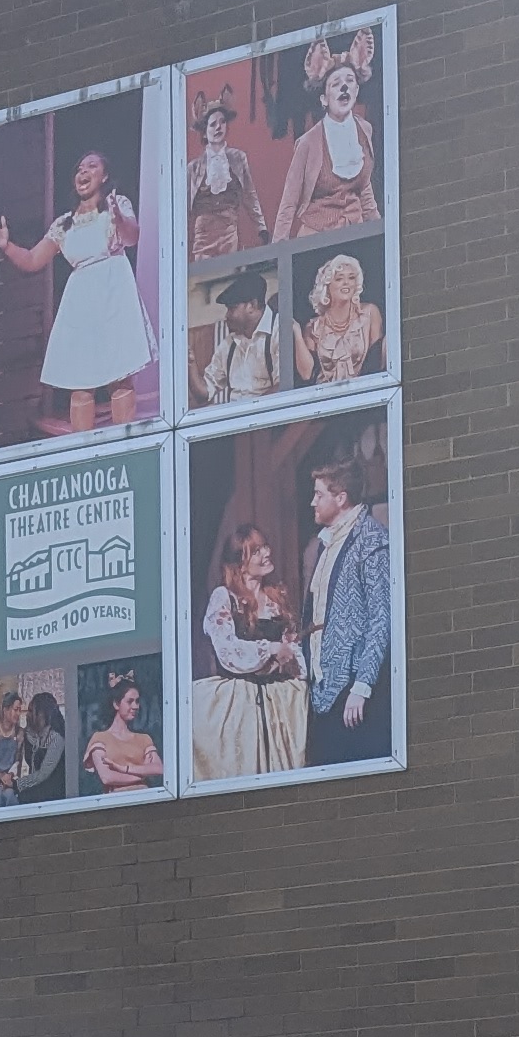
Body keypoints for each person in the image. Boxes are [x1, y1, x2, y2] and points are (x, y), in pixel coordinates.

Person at [0, 147, 153, 432]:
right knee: (80, 384)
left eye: (91, 167)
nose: (83, 172)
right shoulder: (64, 223)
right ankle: (82, 451)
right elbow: (32, 260)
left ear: (105, 176)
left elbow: (132, 237)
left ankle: (128, 445)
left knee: (121, 377)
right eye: (79, 169)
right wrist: (8, 246)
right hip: (81, 302)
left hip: (114, 292)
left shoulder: (117, 203)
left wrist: (118, 218)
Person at [191, 521, 307, 783]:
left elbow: (292, 644)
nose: (266, 553)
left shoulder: (275, 598)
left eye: (264, 546)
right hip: (239, 702)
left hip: (278, 702)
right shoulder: (224, 597)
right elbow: (228, 649)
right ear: (240, 563)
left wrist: (291, 659)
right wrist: (271, 649)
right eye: (255, 551)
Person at [302, 447, 394, 766]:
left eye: (318, 494)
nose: (312, 502)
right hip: (323, 689)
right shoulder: (325, 543)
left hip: (351, 692)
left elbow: (382, 619)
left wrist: (363, 684)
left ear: (340, 498)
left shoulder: (370, 540)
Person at [270, 25, 383, 242]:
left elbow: (364, 188)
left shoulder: (364, 130)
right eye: (336, 84)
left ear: (357, 90)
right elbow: (290, 199)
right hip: (316, 238)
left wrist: (379, 231)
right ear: (323, 99)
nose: (344, 88)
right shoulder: (308, 142)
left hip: (356, 234)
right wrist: (278, 250)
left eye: (349, 82)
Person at [183, 90, 267, 259]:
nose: (218, 127)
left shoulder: (238, 158)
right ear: (204, 131)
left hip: (229, 231)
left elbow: (250, 195)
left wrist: (261, 227)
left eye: (222, 122)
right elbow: (183, 208)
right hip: (203, 234)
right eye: (213, 124)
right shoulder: (193, 168)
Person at [293, 251, 383, 391]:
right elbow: (306, 374)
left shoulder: (369, 313)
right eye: (339, 278)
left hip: (363, 395)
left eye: (351, 277)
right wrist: (297, 333)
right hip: (324, 400)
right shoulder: (313, 327)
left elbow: (377, 361)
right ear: (327, 286)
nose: (346, 282)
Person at [193, 266, 283, 405]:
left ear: (252, 305)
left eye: (232, 308)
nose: (226, 316)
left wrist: (247, 412)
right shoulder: (229, 344)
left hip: (270, 417)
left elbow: (283, 388)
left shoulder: (279, 331)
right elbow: (205, 393)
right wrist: (190, 364)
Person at [82, 667, 163, 791]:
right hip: (117, 802)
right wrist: (141, 774)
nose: (135, 706)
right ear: (116, 704)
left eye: (137, 701)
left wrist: (123, 769)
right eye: (130, 701)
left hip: (145, 799)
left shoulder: (144, 739)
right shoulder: (100, 738)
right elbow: (107, 777)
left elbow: (158, 768)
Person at [13, 683, 69, 801]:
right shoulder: (28, 734)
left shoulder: (57, 738)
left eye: (31, 711)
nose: (27, 715)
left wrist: (17, 784)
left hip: (53, 792)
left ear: (43, 714)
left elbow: (43, 773)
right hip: (36, 786)